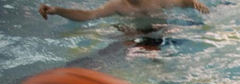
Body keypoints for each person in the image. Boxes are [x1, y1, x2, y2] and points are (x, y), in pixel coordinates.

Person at [39, 0, 206, 20]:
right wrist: (58, 10)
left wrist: (195, 3)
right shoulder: (117, 5)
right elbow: (89, 15)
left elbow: (185, 2)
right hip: (133, 37)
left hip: (162, 34)